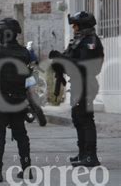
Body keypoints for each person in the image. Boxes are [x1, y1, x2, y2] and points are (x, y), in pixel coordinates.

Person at [0, 18, 32, 182]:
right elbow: (29, 78)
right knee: (21, 135)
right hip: (18, 101)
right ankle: (27, 169)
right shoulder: (25, 53)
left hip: (0, 101)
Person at [49, 11, 104, 167]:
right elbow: (69, 60)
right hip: (77, 84)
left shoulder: (90, 42)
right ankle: (83, 154)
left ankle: (91, 156)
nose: (73, 28)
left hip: (86, 84)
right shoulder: (79, 40)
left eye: (76, 25)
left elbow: (84, 65)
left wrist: (62, 58)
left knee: (85, 120)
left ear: (83, 26)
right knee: (78, 119)